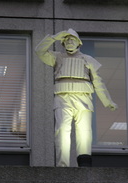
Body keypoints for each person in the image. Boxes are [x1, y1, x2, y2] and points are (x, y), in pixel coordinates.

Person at [35, 28, 118, 167]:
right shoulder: (57, 57)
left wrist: (107, 101)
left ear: (78, 43)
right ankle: (63, 165)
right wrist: (54, 37)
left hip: (83, 99)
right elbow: (39, 51)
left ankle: (84, 163)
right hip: (63, 98)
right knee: (62, 130)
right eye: (66, 40)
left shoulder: (88, 59)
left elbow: (98, 82)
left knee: (84, 132)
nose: (69, 42)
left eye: (72, 40)